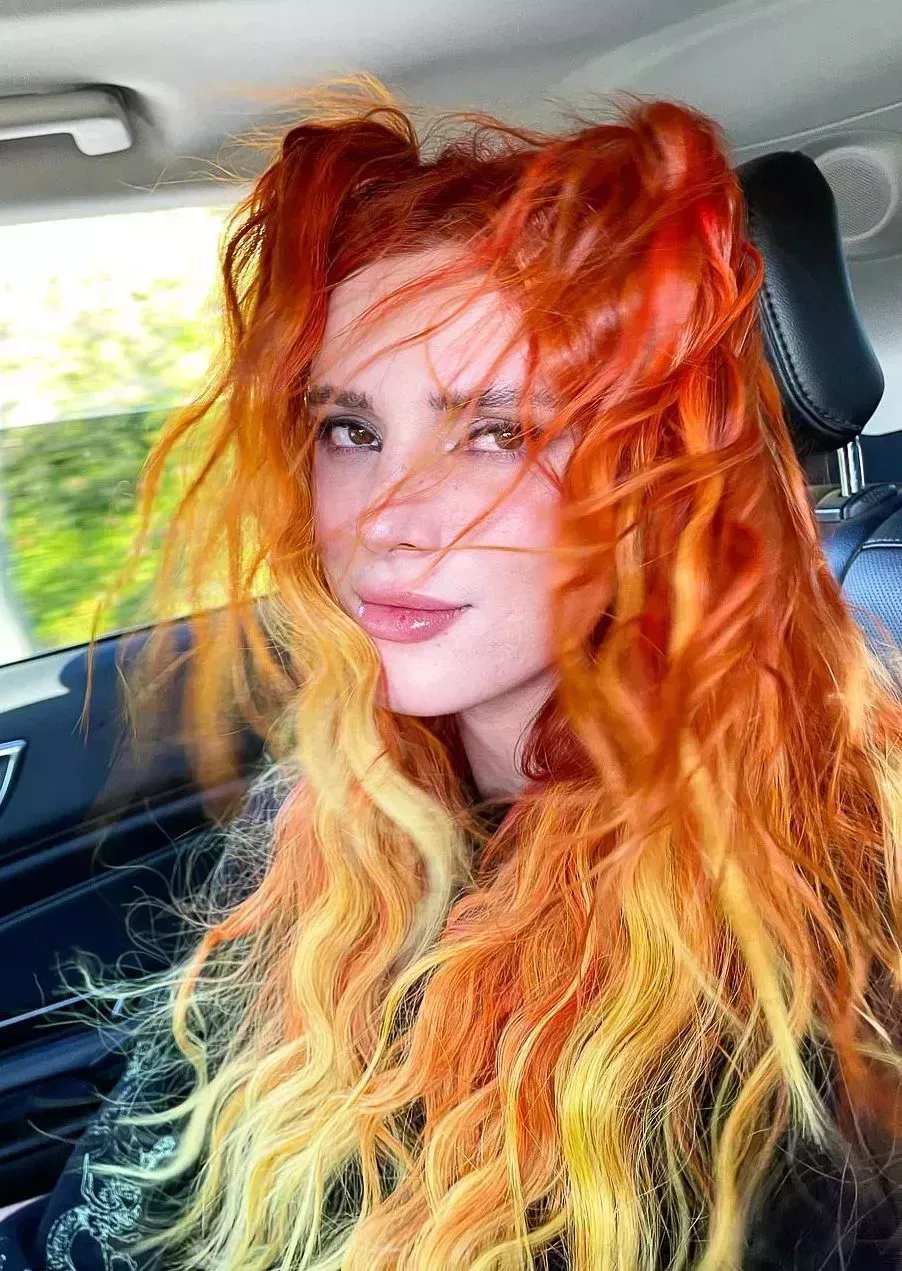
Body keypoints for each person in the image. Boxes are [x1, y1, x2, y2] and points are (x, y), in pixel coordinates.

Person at [2, 77, 902, 1271]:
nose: (385, 518)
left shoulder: (825, 925)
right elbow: (121, 1205)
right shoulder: (330, 804)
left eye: (497, 431)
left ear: (656, 474)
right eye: (349, 429)